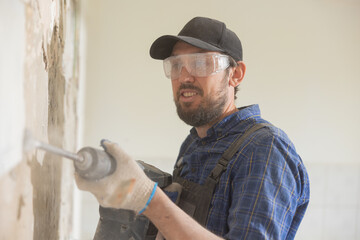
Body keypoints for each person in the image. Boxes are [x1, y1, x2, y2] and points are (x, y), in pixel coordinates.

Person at [76, 16, 310, 240]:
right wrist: (123, 199)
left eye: (200, 63)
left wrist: (149, 198)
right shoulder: (193, 143)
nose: (185, 76)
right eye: (176, 65)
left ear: (235, 74)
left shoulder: (264, 150)